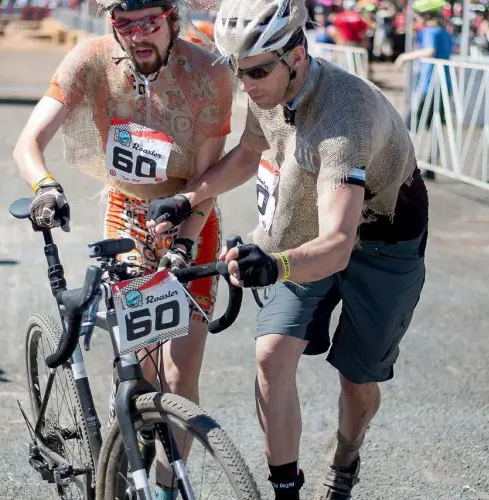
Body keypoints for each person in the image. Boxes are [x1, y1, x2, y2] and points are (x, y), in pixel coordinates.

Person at [145, 0, 429, 498]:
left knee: (356, 382)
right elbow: (250, 154)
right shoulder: (266, 85)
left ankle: (345, 456)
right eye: (237, 71)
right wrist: (189, 197)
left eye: (256, 72)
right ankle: (286, 491)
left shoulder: (343, 118)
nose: (246, 86)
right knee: (272, 353)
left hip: (383, 236)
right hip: (306, 221)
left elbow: (338, 244)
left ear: (297, 55)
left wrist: (274, 265)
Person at [11, 0, 234, 498]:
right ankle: (122, 441)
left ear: (172, 19)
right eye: (124, 24)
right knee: (140, 367)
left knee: (179, 373)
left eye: (149, 23)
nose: (137, 36)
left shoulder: (208, 73)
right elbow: (29, 141)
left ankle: (161, 487)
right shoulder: (90, 59)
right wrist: (44, 185)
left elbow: (206, 180)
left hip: (187, 217)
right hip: (128, 215)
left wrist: (183, 240)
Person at [394, 0, 452, 180]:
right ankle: (431, 165)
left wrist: (405, 56)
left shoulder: (430, 32)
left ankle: (400, 166)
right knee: (434, 127)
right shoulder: (444, 32)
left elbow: (429, 51)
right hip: (444, 85)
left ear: (426, 16)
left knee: (408, 126)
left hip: (429, 86)